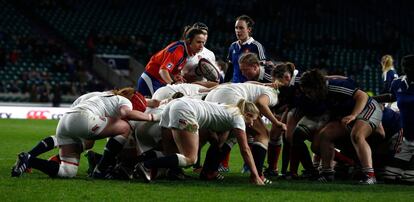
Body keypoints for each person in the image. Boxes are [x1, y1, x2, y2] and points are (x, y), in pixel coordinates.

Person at [11, 88, 159, 178]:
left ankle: (29, 159)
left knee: (68, 171)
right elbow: (126, 112)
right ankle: (101, 170)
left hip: (67, 120)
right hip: (84, 118)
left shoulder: (102, 95)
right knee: (126, 127)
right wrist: (152, 117)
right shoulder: (124, 102)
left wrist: (158, 102)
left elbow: (145, 101)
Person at [134, 97, 265, 185]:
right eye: (252, 119)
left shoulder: (228, 109)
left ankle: (133, 164)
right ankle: (147, 165)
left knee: (171, 154)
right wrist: (255, 175)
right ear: (246, 115)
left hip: (174, 105)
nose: (252, 124)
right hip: (186, 111)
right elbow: (245, 149)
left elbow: (215, 134)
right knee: (190, 159)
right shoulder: (238, 118)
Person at [299, 69, 383, 185]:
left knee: (357, 135)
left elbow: (362, 96)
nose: (308, 96)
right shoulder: (321, 91)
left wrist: (354, 115)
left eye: (309, 92)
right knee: (323, 137)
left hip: (367, 108)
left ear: (316, 87)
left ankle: (370, 176)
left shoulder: (335, 86)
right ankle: (328, 173)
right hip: (348, 115)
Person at [136, 28, 207, 96]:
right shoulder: (178, 50)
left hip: (160, 82)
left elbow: (171, 69)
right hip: (151, 80)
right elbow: (163, 70)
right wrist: (173, 84)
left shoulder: (186, 52)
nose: (201, 46)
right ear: (189, 41)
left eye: (203, 43)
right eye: (198, 42)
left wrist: (176, 76)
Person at [381, 55, 414, 183]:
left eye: (410, 66)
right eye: (404, 65)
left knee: (408, 179)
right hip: (407, 140)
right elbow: (391, 96)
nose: (406, 69)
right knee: (389, 177)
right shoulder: (398, 83)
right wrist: (370, 99)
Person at [225, 15, 268, 83]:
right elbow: (230, 68)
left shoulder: (257, 46)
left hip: (249, 88)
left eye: (241, 28)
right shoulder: (232, 46)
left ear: (249, 29)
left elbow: (262, 70)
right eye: (236, 28)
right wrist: (223, 83)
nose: (238, 31)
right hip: (234, 86)